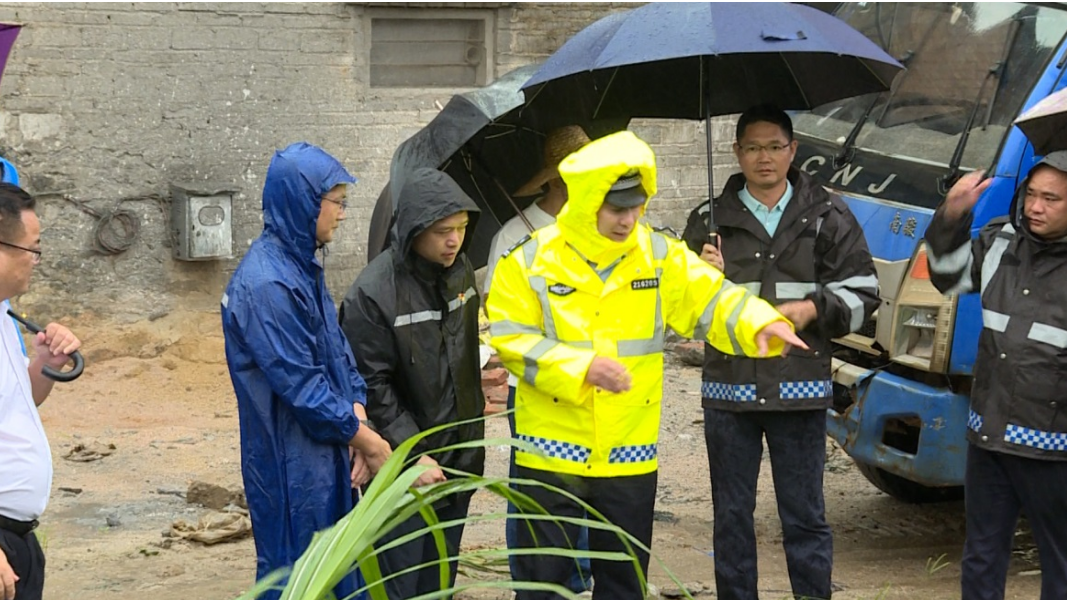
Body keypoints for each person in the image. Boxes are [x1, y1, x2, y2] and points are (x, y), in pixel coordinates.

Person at [486, 130, 807, 600]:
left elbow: (712, 297)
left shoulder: (657, 255)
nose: (629, 219)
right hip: (551, 452)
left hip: (628, 451)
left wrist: (760, 322)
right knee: (542, 585)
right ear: (587, 202)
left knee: (624, 583)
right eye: (617, 208)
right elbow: (512, 340)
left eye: (637, 206)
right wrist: (581, 368)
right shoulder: (531, 261)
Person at [681, 104, 879, 600]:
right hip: (729, 392)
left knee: (805, 516)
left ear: (793, 151)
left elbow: (865, 296)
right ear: (736, 152)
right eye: (752, 147)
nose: (763, 157)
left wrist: (814, 308)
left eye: (774, 146)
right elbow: (677, 314)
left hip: (799, 388)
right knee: (730, 516)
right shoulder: (708, 221)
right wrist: (702, 278)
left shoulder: (827, 214)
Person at [220, 142, 392, 600]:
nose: (341, 213)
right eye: (336, 202)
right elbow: (303, 388)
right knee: (296, 574)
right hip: (289, 459)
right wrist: (369, 442)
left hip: (329, 447)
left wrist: (355, 413)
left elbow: (338, 354)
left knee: (337, 568)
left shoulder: (302, 269)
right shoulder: (267, 285)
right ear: (303, 202)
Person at [339, 167, 486, 600]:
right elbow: (372, 384)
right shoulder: (372, 294)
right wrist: (413, 457)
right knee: (401, 579)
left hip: (462, 452)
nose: (454, 241)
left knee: (441, 576)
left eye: (461, 228)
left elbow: (457, 354)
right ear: (413, 228)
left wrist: (481, 386)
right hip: (405, 464)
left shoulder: (460, 275)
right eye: (443, 230)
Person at [926, 155, 1067, 600]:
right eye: (1032, 195)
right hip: (988, 436)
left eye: (1051, 199)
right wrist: (952, 212)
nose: (1035, 207)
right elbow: (946, 276)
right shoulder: (1000, 241)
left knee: (1060, 562)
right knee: (982, 555)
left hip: (1054, 446)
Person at [483, 124, 594, 595]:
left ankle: (581, 570)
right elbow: (496, 312)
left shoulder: (598, 231)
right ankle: (531, 577)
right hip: (531, 387)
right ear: (557, 181)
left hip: (590, 382)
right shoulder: (513, 236)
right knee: (534, 486)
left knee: (588, 478)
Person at [0, 182, 82, 600]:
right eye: (32, 249)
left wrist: (45, 366)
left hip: (17, 541)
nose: (37, 261)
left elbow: (18, 403)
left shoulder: (3, 312)